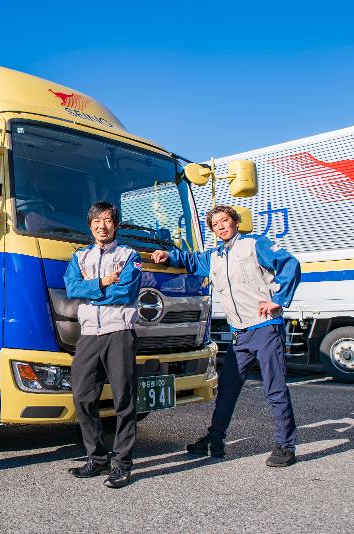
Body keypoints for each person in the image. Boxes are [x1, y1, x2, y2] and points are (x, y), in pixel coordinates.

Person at [150, 205, 301, 467]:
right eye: (215, 224)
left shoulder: (255, 244)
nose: (221, 226)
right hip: (239, 335)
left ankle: (286, 445)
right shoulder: (214, 256)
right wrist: (168, 256)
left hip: (265, 328)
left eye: (225, 221)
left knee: (275, 389)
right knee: (228, 389)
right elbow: (189, 260)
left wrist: (279, 300)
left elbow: (290, 264)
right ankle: (215, 440)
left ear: (235, 222)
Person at [64, 201, 142, 489]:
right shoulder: (80, 256)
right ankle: (96, 458)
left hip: (118, 331)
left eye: (108, 220)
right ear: (90, 225)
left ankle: (122, 463)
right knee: (83, 397)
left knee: (124, 400)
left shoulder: (129, 255)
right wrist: (102, 282)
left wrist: (92, 291)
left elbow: (126, 292)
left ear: (116, 225)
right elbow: (71, 288)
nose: (102, 226)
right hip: (89, 335)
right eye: (97, 221)